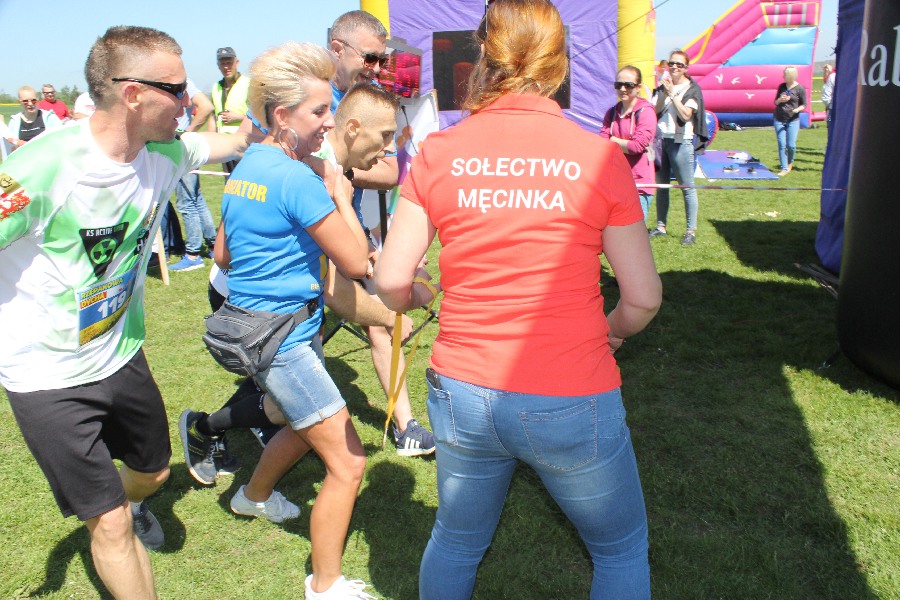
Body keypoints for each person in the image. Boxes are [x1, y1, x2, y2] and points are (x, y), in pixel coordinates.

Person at [375, 1, 662, 598]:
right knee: (619, 549)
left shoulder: (439, 152)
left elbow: (391, 282)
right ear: (560, 62)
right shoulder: (598, 156)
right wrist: (612, 331)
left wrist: (423, 292)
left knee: (457, 539)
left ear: (482, 52)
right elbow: (642, 298)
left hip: (463, 388)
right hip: (571, 387)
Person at [0, 25, 247, 599]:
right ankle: (115, 517)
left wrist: (274, 124)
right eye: (177, 89)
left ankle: (130, 504)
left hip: (121, 355)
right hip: (45, 377)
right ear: (133, 94)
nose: (189, 100)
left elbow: (227, 143)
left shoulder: (164, 153)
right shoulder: (42, 167)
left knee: (154, 472)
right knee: (109, 525)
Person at [183, 41, 375, 599]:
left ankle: (253, 496)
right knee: (348, 463)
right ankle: (325, 583)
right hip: (282, 338)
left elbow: (222, 255)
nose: (329, 121)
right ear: (282, 115)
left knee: (300, 421)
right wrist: (339, 194)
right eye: (320, 110)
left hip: (266, 327)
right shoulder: (299, 179)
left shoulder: (248, 165)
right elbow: (356, 262)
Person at [181, 82, 404, 486]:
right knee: (319, 429)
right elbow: (338, 283)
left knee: (291, 406)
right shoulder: (309, 175)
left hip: (265, 300)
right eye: (386, 136)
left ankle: (223, 451)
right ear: (354, 129)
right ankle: (222, 451)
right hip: (259, 306)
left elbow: (226, 251)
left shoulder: (306, 164)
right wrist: (388, 317)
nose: (389, 149)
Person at [327, 9, 435, 455]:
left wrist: (341, 170)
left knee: (384, 319)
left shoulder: (372, 97)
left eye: (382, 59)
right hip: (308, 241)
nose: (377, 68)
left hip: (350, 232)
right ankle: (221, 423)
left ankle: (405, 425)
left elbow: (391, 171)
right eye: (370, 58)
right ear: (338, 49)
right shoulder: (309, 96)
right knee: (293, 345)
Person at [649, 49, 707, 246]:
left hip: (681, 142)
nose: (674, 67)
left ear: (686, 68)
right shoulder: (661, 87)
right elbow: (654, 112)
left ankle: (690, 230)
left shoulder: (692, 89)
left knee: (687, 187)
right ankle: (660, 226)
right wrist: (664, 93)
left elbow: (685, 115)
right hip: (660, 141)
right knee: (662, 186)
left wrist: (673, 94)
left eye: (679, 64)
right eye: (671, 63)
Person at [169, 80, 218, 271]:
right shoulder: (183, 81)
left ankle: (193, 255)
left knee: (186, 203)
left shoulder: (182, 82)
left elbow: (207, 107)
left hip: (181, 148)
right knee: (197, 200)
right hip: (184, 148)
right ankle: (213, 246)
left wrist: (187, 133)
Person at [600, 66, 658, 222]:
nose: (623, 89)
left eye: (628, 85)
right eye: (618, 85)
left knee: (635, 231)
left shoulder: (646, 112)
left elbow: (636, 147)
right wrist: (623, 144)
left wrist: (613, 140)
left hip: (639, 183)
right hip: (615, 180)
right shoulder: (612, 112)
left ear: (638, 87)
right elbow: (602, 143)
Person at [211, 46, 250, 175]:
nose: (226, 67)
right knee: (229, 181)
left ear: (236, 63)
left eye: (229, 63)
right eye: (223, 63)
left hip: (243, 143)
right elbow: (213, 116)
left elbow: (259, 117)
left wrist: (238, 117)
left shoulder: (248, 84)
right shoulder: (216, 87)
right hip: (224, 145)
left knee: (244, 179)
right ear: (218, 65)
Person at [5, 86, 63, 150]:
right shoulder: (14, 122)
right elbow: (11, 147)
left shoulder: (50, 118)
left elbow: (61, 139)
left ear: (37, 99)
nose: (30, 104)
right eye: (25, 101)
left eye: (33, 100)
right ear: (19, 102)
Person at [773, 65, 807, 177]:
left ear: (790, 76)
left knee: (791, 145)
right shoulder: (782, 87)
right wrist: (780, 100)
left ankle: (790, 162)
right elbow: (775, 102)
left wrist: (797, 109)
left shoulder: (800, 89)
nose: (783, 76)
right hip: (779, 118)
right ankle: (784, 168)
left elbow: (804, 104)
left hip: (793, 120)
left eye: (785, 74)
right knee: (782, 144)